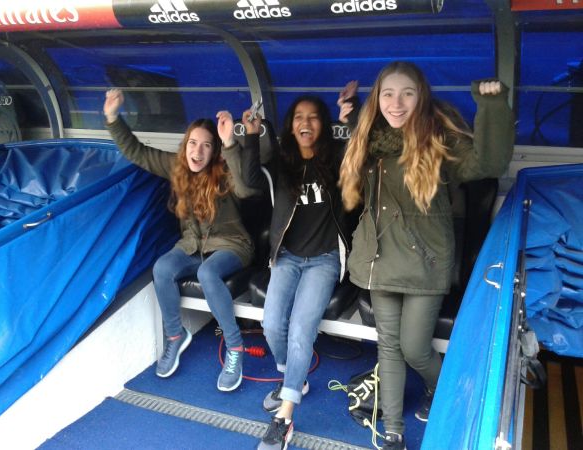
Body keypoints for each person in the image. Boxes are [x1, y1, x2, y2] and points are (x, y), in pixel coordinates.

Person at [338, 61, 515, 449]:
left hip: (425, 261)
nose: (396, 103)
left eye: (407, 94)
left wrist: (492, 107)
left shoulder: (439, 139)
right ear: (377, 99)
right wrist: (350, 117)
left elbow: (490, 163)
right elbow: (369, 138)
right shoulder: (369, 138)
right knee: (389, 347)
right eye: (388, 94)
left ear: (422, 97)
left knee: (415, 348)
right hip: (379, 257)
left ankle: (447, 389)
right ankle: (394, 432)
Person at [103, 88, 258, 392]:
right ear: (185, 145)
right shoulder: (177, 167)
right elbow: (136, 151)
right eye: (193, 143)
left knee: (208, 272)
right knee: (162, 267)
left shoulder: (225, 169)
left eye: (206, 145)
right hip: (192, 246)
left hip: (231, 245)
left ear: (214, 151)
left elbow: (247, 189)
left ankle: (235, 347)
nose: (197, 152)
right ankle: (175, 335)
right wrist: (112, 117)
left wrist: (229, 143)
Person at [235, 85, 359, 450]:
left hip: (324, 259)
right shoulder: (282, 162)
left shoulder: (336, 158)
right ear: (291, 125)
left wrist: (352, 117)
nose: (306, 123)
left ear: (323, 124)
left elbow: (361, 153)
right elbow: (250, 180)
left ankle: (284, 417)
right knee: (272, 324)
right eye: (299, 117)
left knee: (302, 329)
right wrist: (252, 136)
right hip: (287, 257)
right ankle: (294, 378)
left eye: (314, 117)